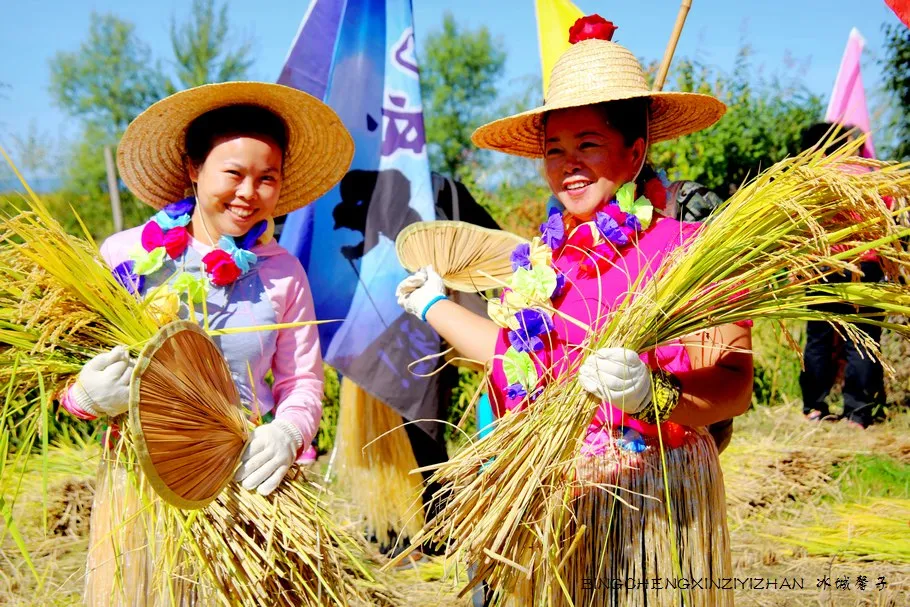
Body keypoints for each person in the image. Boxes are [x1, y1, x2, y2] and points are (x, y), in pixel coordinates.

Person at [397, 16, 752, 606]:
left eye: (588, 144)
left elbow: (735, 385)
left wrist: (652, 395)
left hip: (648, 507)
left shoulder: (693, 252)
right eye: (554, 149)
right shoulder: (540, 260)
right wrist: (434, 305)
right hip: (547, 505)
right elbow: (515, 360)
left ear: (634, 151)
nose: (569, 165)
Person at [58, 81, 353, 604]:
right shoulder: (128, 257)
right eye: (234, 173)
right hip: (142, 486)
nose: (249, 193)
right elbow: (69, 370)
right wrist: (85, 396)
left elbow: (303, 380)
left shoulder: (283, 274)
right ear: (194, 169)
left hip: (242, 484)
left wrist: (287, 431)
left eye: (267, 179)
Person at [799, 122, 887, 428]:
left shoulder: (815, 180)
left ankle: (814, 407)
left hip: (825, 265)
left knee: (820, 340)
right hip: (868, 266)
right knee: (863, 339)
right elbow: (890, 224)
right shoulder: (873, 179)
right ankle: (858, 413)